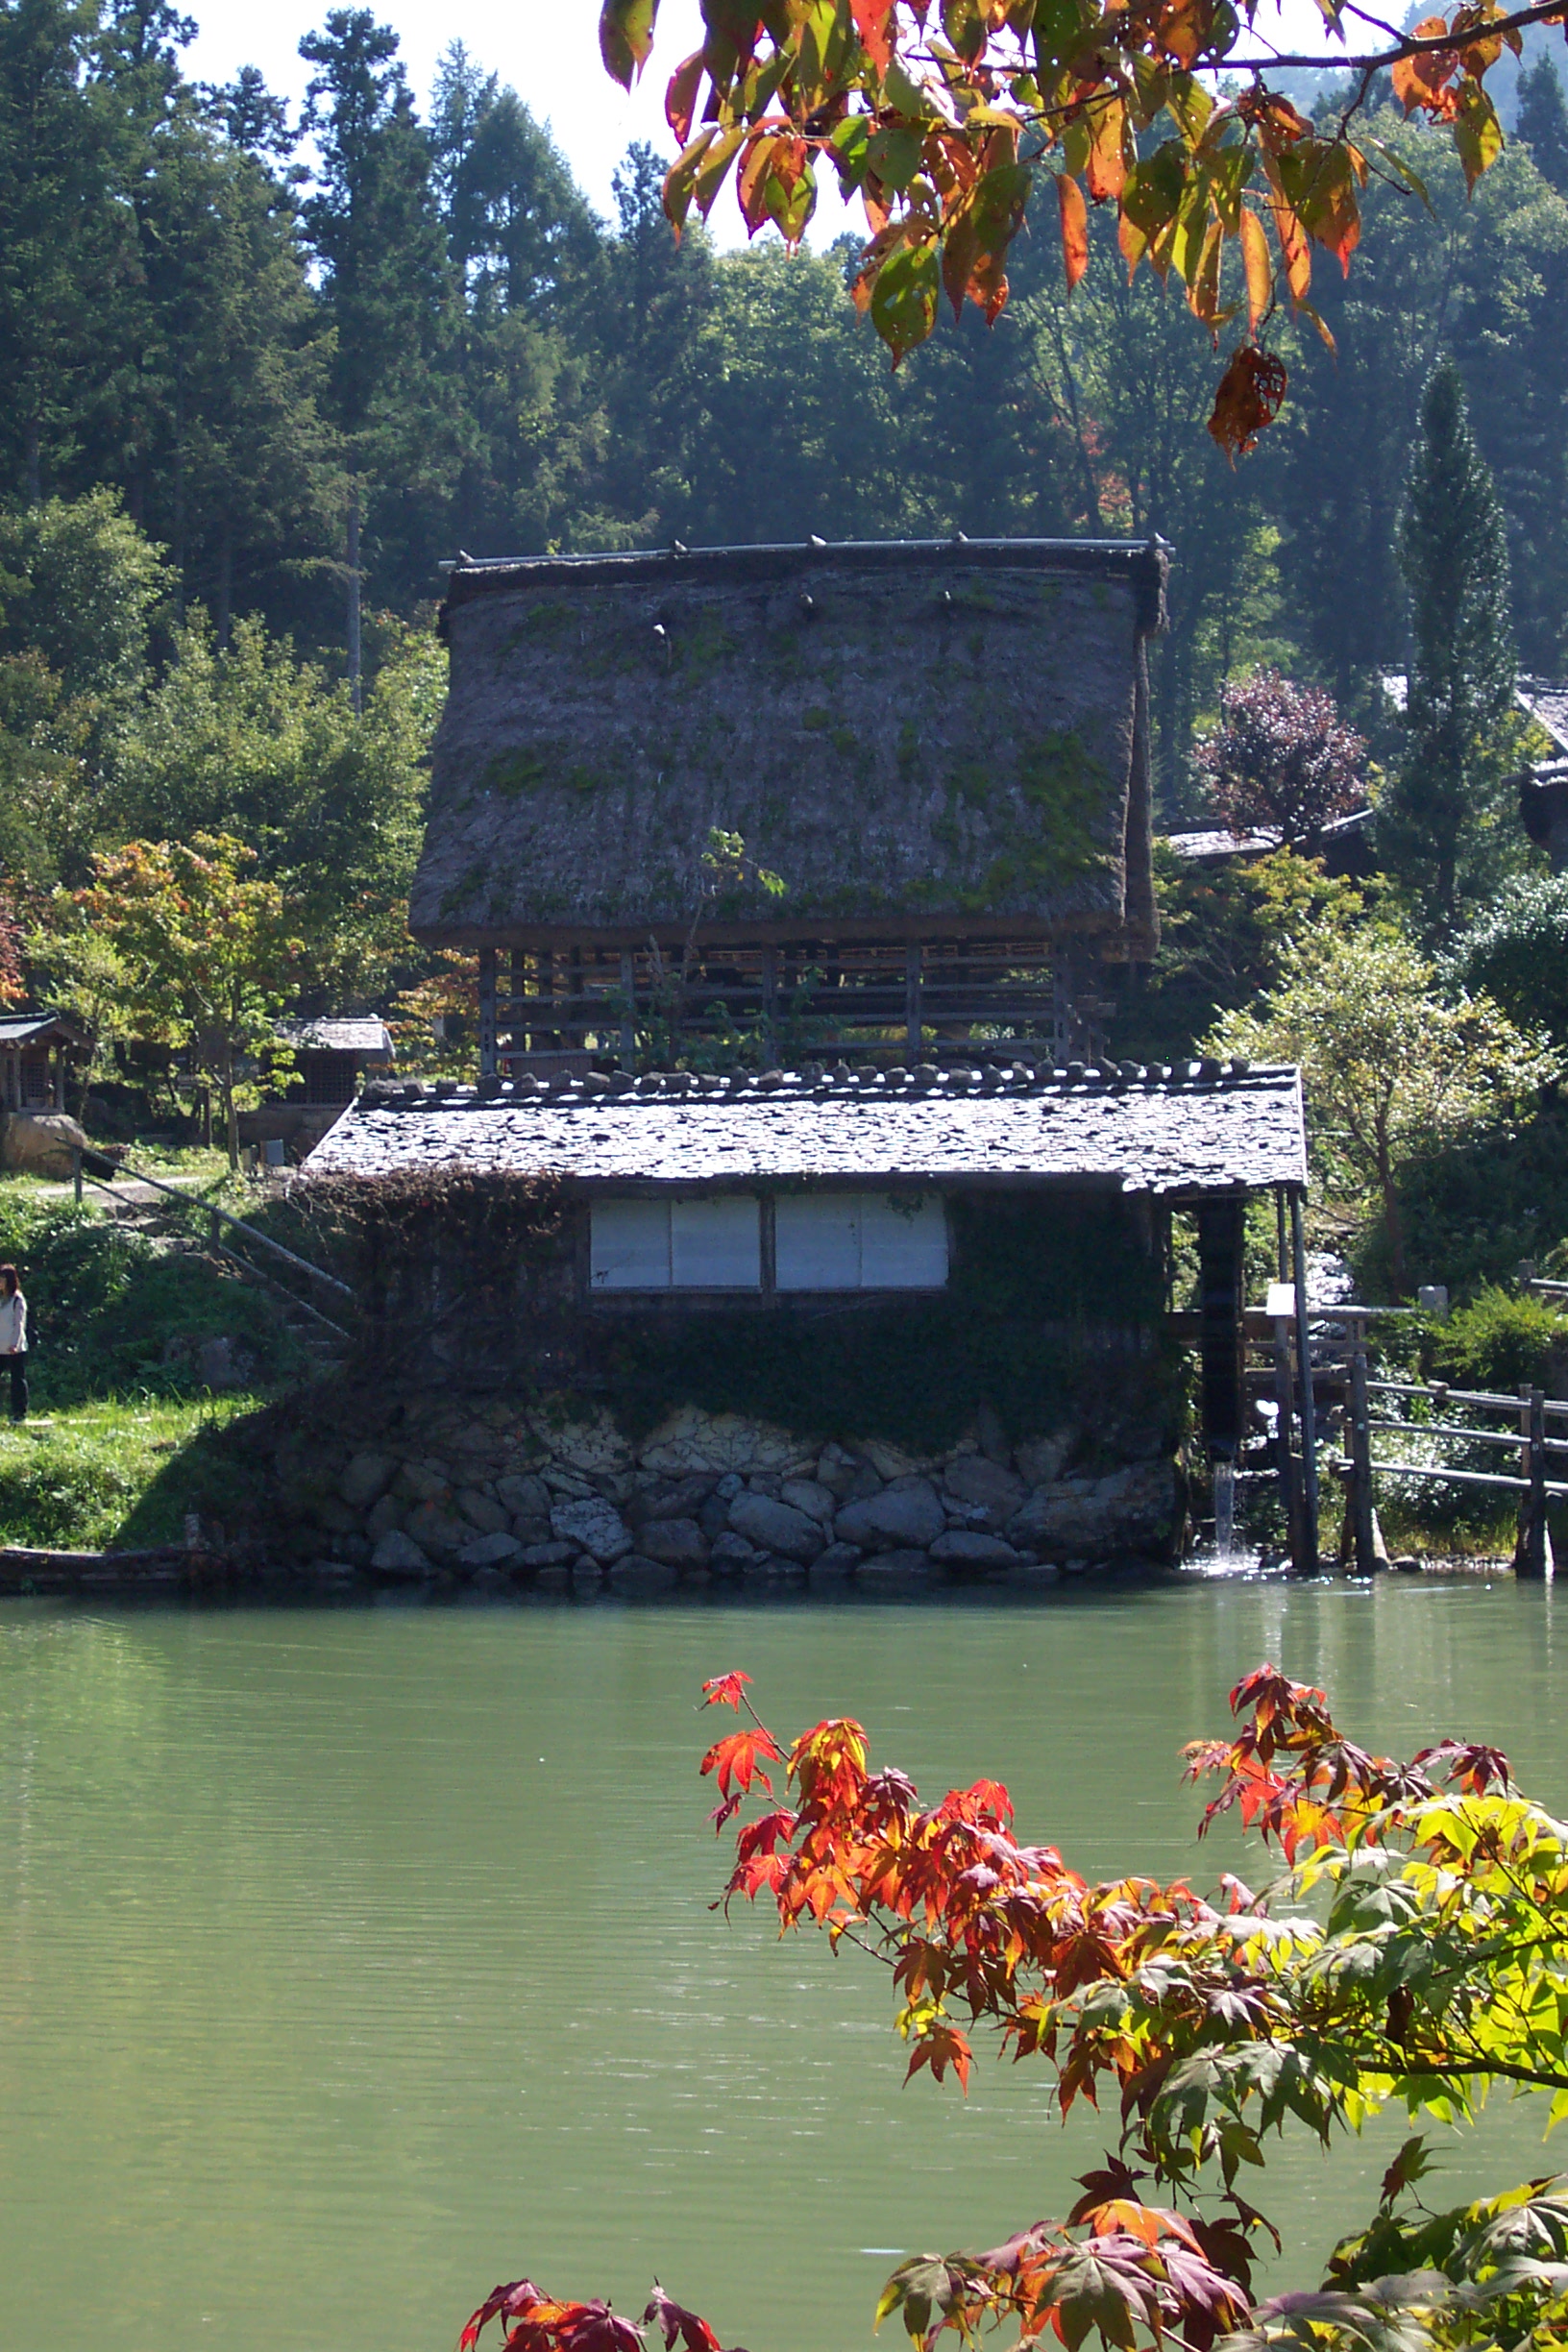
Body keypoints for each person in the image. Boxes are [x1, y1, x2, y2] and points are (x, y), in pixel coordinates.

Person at [0, 1263, 28, 1421]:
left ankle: (19, 1414)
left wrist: (15, 1344)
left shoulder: (18, 1300)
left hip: (14, 1348)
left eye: (2, 1279)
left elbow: (19, 1324)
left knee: (17, 1381)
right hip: (0, 1347)